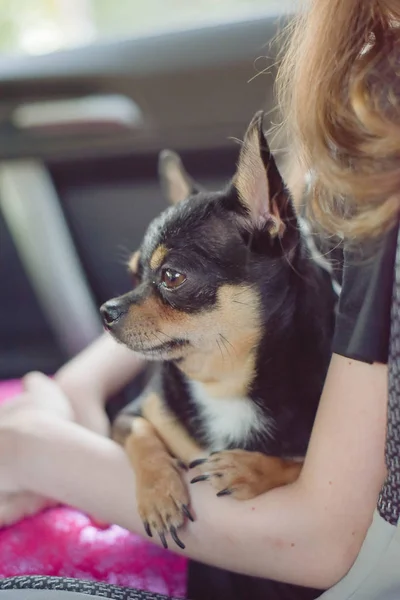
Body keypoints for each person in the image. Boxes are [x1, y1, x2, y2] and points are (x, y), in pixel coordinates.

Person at [0, 0, 399, 598]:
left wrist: (32, 451)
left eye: (171, 281)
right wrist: (77, 386)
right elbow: (300, 171)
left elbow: (322, 538)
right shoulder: (369, 94)